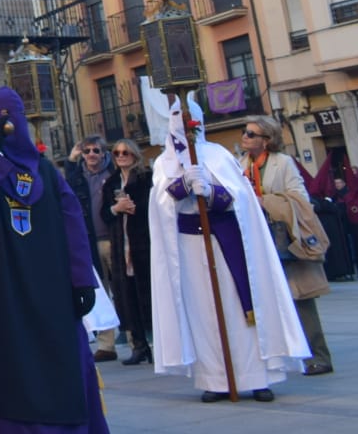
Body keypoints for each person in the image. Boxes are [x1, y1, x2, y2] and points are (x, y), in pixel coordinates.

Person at [0, 87, 109, 433]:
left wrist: (82, 280)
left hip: (49, 281)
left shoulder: (46, 171)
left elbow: (73, 224)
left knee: (57, 356)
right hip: (3, 281)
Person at [150, 98, 307, 403]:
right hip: (188, 245)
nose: (182, 121)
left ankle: (257, 377)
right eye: (176, 115)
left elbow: (241, 197)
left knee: (239, 308)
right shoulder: (162, 163)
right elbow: (160, 205)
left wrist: (211, 192)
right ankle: (216, 379)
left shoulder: (218, 154)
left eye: (187, 115)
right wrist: (182, 186)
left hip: (225, 239)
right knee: (202, 312)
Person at [238, 116, 334, 376]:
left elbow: (300, 197)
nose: (245, 136)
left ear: (266, 140)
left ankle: (318, 356)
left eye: (251, 133)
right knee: (266, 299)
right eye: (245, 132)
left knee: (301, 297)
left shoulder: (282, 163)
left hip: (284, 236)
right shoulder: (241, 164)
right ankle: (280, 354)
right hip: (257, 237)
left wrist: (265, 201)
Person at [99, 138, 154, 366]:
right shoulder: (111, 182)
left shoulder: (145, 178)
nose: (121, 156)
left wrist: (133, 207)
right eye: (117, 153)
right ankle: (139, 345)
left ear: (134, 155)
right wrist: (116, 208)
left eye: (125, 153)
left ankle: (158, 343)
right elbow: (104, 213)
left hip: (143, 242)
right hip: (121, 244)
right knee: (128, 296)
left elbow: (153, 206)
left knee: (149, 294)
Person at [64, 135, 118, 362]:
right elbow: (65, 188)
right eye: (87, 151)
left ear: (104, 153)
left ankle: (136, 339)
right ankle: (107, 344)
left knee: (122, 289)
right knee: (100, 293)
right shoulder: (78, 178)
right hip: (90, 240)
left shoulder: (113, 174)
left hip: (113, 237)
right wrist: (71, 159)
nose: (91, 155)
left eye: (96, 150)